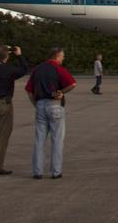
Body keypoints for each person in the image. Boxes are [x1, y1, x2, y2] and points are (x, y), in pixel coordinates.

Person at [25, 46, 76, 179]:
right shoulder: (58, 69)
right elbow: (72, 83)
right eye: (62, 56)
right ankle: (56, 171)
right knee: (57, 139)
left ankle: (37, 171)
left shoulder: (37, 69)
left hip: (40, 105)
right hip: (54, 105)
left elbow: (29, 90)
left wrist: (36, 105)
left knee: (39, 140)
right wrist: (62, 92)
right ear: (57, 56)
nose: (63, 58)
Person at [0, 45, 28, 175]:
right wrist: (19, 55)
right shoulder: (8, 70)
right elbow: (24, 69)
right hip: (4, 104)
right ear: (7, 56)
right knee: (2, 136)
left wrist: (2, 51)